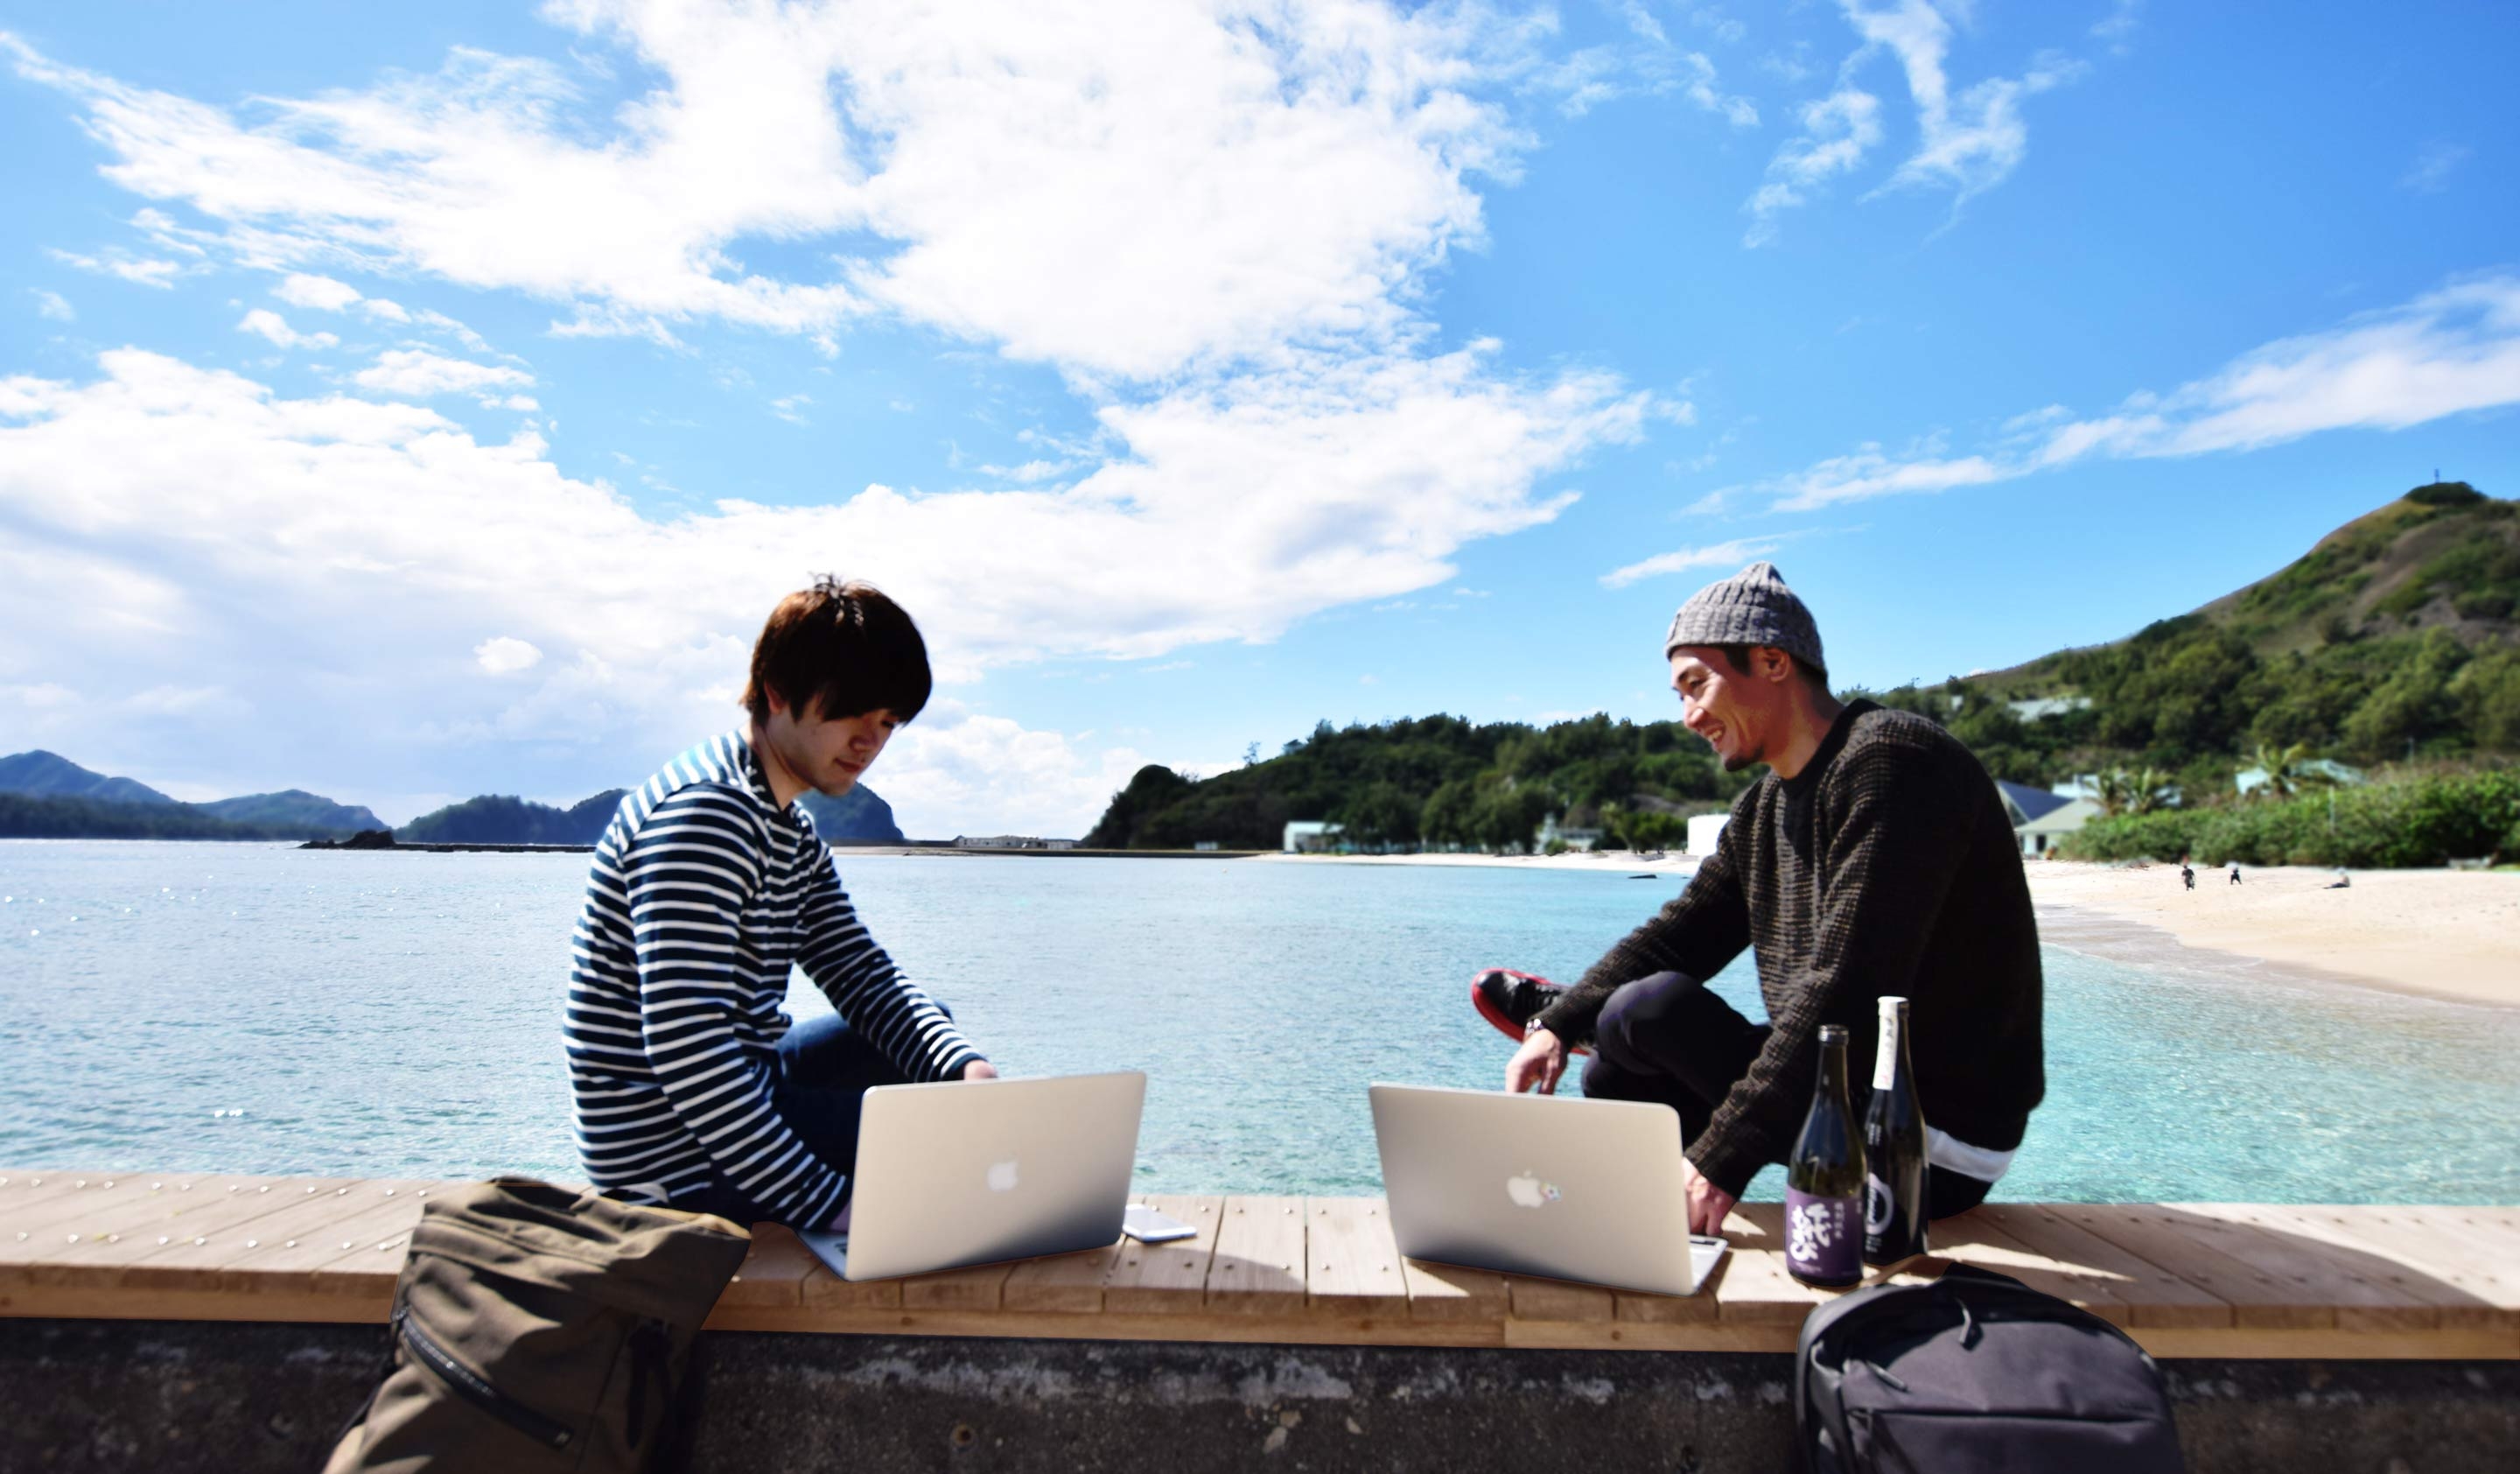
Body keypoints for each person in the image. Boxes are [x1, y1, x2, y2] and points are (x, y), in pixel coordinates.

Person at [1483, 563, 2044, 1233]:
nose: (1689, 717)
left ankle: (1675, 1185)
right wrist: (1556, 1026)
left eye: (1698, 685)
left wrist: (1722, 1159)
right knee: (1616, 1055)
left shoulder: (1894, 762)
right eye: (1679, 695)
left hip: (1926, 1139)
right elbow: (1680, 935)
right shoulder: (1763, 809)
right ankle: (1643, 1222)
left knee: (1641, 1011)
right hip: (1845, 1083)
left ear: (1773, 661)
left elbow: (1849, 986)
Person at [565, 577, 994, 1233]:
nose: (870, 741)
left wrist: (964, 1067)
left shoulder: (787, 828)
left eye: (887, 722)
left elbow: (859, 971)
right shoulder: (707, 815)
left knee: (933, 1056)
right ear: (776, 692)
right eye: (852, 712)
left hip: (736, 1084)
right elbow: (688, 1045)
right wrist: (831, 1205)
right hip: (669, 1158)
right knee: (939, 1151)